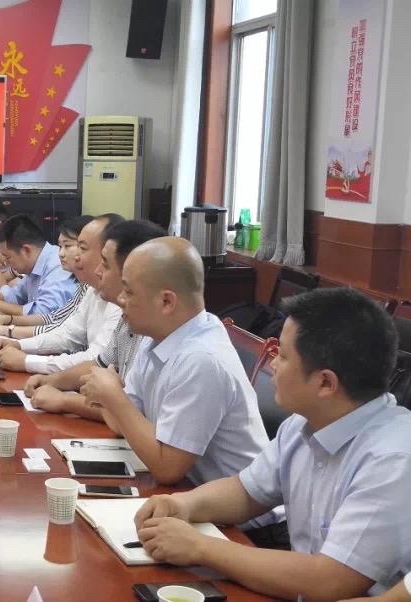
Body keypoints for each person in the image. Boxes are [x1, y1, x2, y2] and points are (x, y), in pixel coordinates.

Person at [133, 288, 411, 600]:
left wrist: (200, 547)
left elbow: (331, 580)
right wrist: (184, 505)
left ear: (325, 383)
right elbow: (246, 491)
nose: (273, 364)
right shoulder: (304, 423)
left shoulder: (393, 460)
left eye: (284, 356)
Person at [79, 237, 284, 544]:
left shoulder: (200, 358)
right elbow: (125, 424)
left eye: (129, 291)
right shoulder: (159, 336)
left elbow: (167, 468)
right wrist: (115, 401)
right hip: (190, 501)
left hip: (247, 530)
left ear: (166, 302)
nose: (120, 299)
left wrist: (113, 397)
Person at [22, 219, 165, 416]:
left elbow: (130, 411)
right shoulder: (128, 318)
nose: (98, 271)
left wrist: (65, 401)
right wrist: (50, 380)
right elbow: (99, 363)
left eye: (105, 264)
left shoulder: (183, 350)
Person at [0, 214, 124, 373]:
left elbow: (96, 360)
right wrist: (19, 345)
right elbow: (67, 334)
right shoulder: (92, 289)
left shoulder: (119, 301)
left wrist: (26, 360)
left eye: (81, 248)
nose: (73, 256)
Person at [0, 215, 93, 337]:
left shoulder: (57, 266)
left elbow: (49, 318)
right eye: (60, 246)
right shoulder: (85, 287)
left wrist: (6, 327)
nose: (60, 253)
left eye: (68, 246)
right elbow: (53, 319)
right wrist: (6, 319)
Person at [0, 214, 75, 316]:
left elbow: (44, 314)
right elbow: (14, 295)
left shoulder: (57, 265)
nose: (6, 263)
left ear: (26, 250)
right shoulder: (34, 266)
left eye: (8, 257)